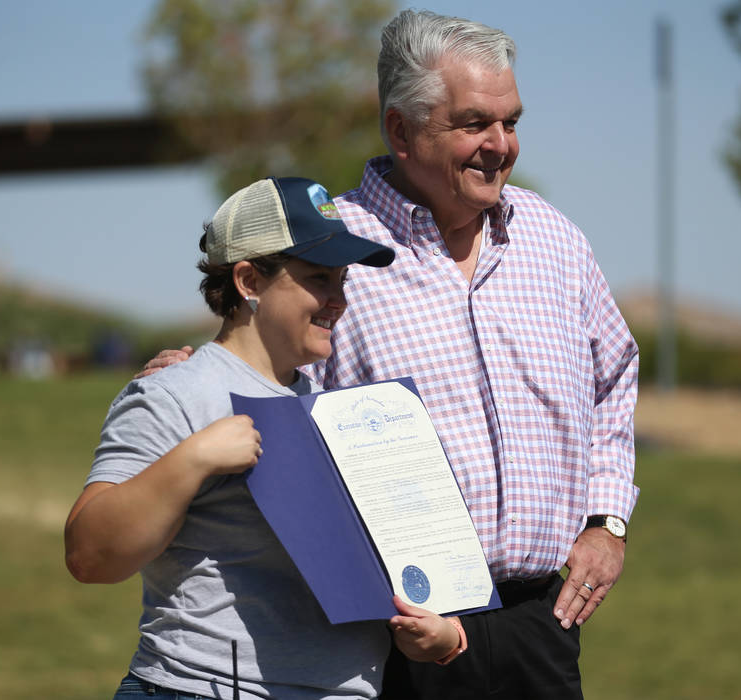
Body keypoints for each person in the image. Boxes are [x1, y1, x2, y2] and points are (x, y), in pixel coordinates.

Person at [140, 9, 640, 700]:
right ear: (401, 129)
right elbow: (260, 372)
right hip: (394, 635)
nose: (502, 145)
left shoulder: (555, 240)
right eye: (474, 123)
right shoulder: (335, 251)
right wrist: (197, 380)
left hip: (542, 622)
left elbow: (614, 378)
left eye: (512, 121)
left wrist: (606, 521)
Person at [66, 176, 467, 700]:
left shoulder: (340, 406)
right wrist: (194, 459)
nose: (338, 301)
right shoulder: (175, 394)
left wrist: (441, 632)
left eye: (342, 281)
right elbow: (91, 556)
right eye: (319, 279)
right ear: (249, 281)